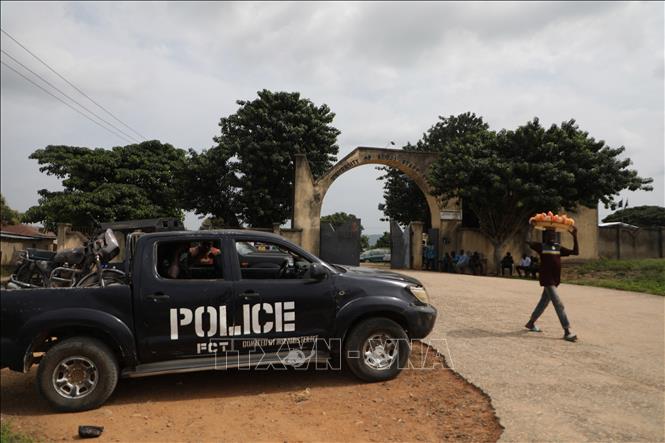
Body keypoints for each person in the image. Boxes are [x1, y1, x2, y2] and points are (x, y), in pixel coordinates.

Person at [524, 227, 579, 342]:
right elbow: (527, 241)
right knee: (558, 304)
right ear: (545, 236)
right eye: (549, 234)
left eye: (554, 234)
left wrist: (574, 236)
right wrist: (531, 226)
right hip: (547, 280)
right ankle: (567, 331)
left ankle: (530, 323)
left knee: (543, 303)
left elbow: (575, 252)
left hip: (555, 280)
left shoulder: (558, 247)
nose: (552, 236)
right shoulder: (541, 246)